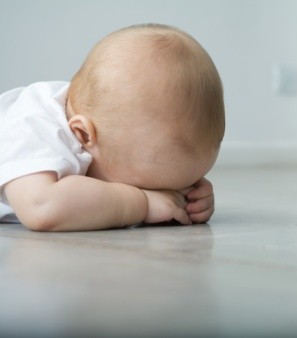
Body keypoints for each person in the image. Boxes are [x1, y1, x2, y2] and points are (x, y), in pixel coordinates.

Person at [0, 24, 225, 231]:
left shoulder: (104, 122)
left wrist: (194, 200)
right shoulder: (32, 128)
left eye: (185, 183)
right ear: (84, 134)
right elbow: (41, 208)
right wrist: (141, 203)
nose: (164, 196)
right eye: (145, 186)